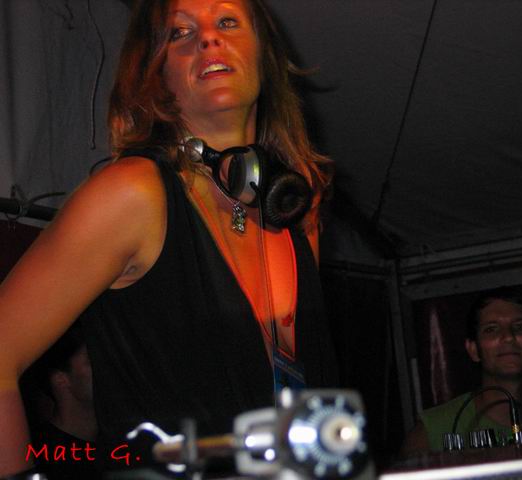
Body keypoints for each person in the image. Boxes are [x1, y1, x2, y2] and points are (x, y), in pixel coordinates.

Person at [0, 0, 339, 476]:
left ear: (264, 54)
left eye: (227, 21)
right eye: (180, 33)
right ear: (155, 77)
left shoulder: (298, 209)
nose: (208, 38)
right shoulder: (132, 195)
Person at [403, 288, 522, 453]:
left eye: (520, 327)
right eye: (491, 329)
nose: (508, 337)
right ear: (473, 350)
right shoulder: (430, 434)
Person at [21, 322, 99, 479]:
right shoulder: (40, 459)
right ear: (61, 379)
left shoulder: (119, 440)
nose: (103, 368)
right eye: (91, 361)